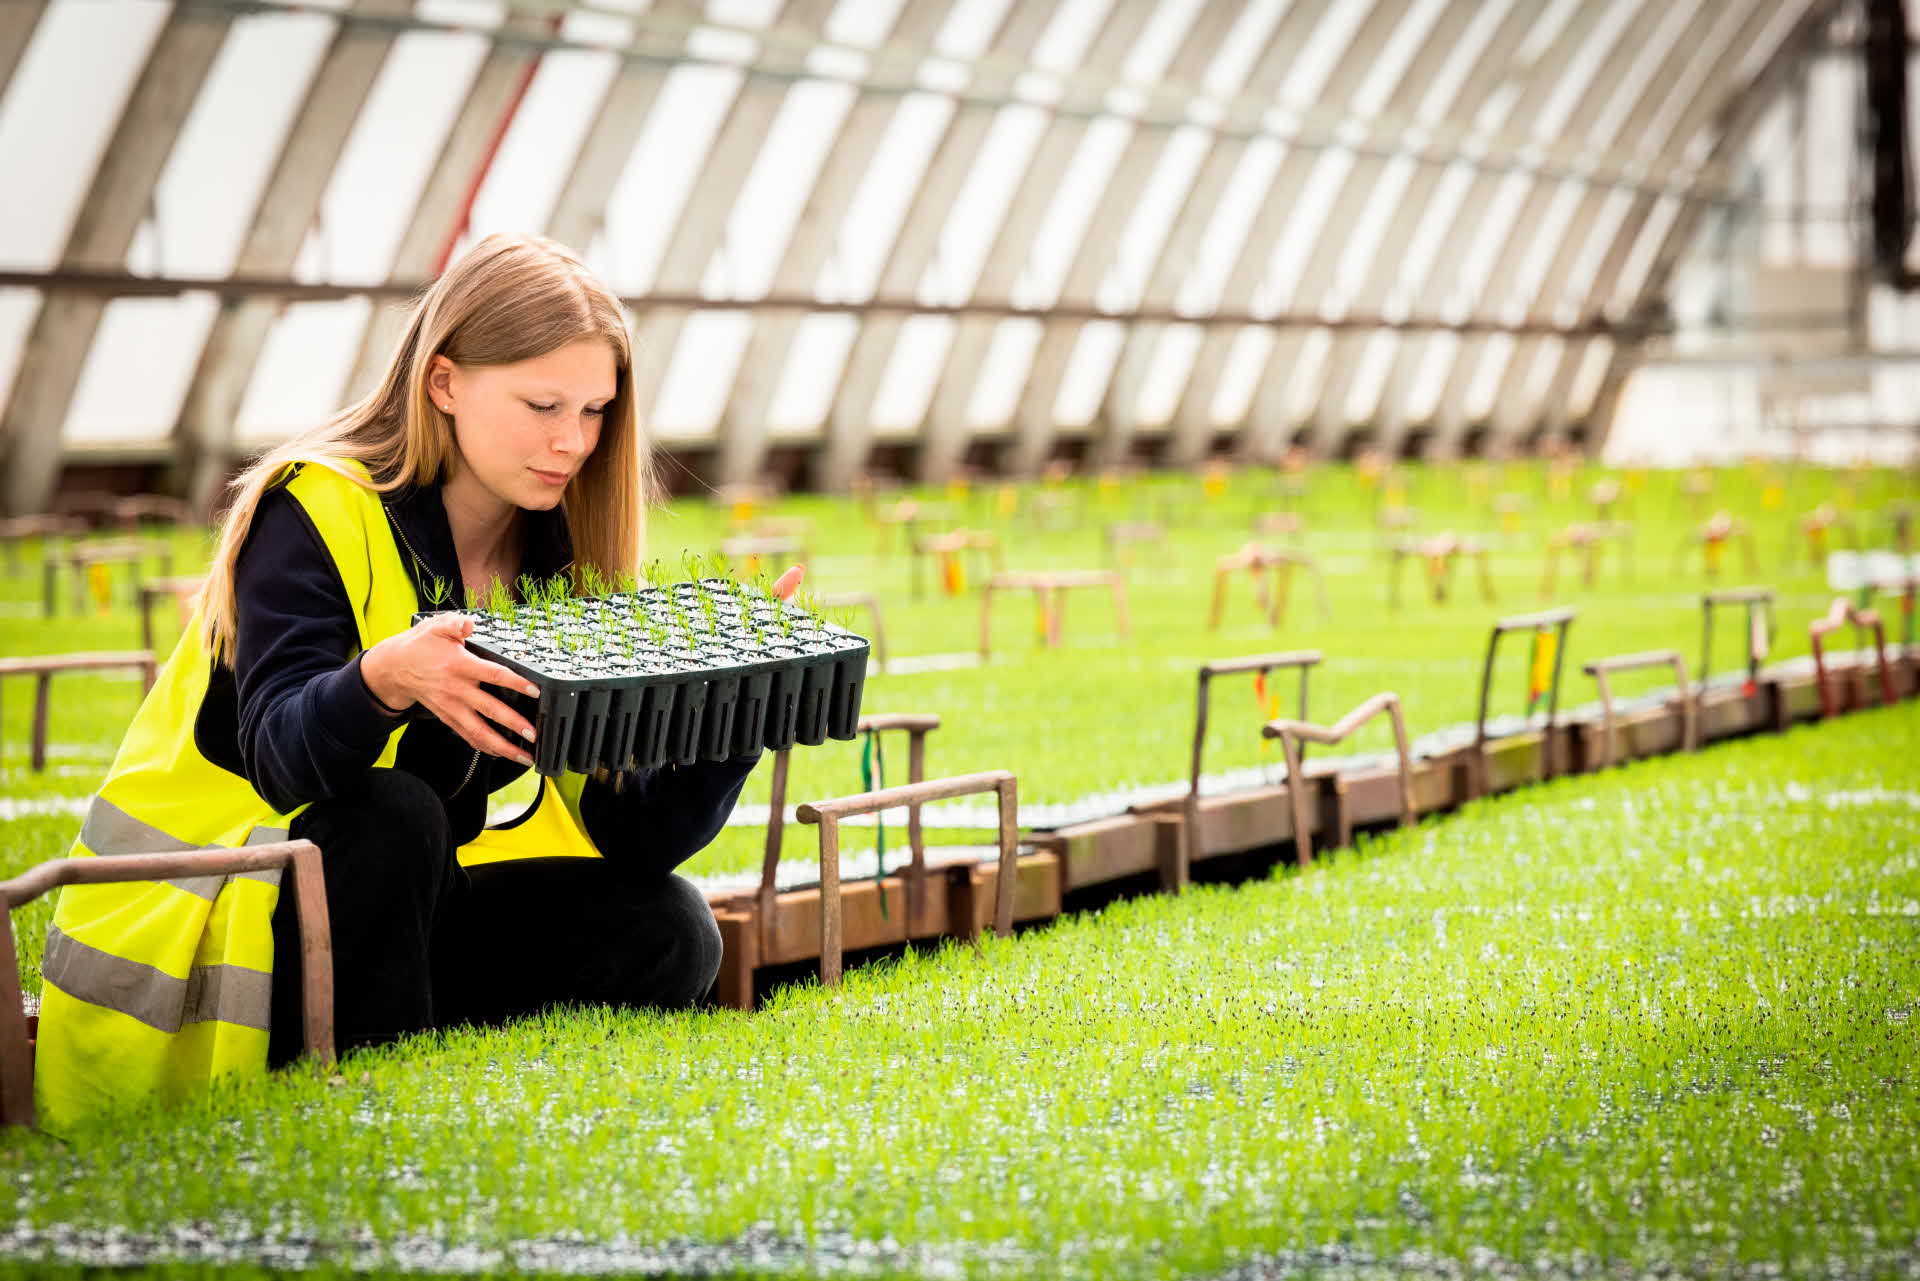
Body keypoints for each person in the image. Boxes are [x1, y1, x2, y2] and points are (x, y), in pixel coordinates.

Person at [36, 234, 756, 1133]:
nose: (572, 442)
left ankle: (430, 1076)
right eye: (542, 405)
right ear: (444, 382)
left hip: (393, 926)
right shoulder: (315, 506)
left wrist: (736, 710)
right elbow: (279, 755)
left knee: (673, 927)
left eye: (596, 410)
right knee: (394, 812)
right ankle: (383, 1128)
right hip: (211, 924)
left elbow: (630, 832)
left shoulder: (559, 552)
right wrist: (383, 679)